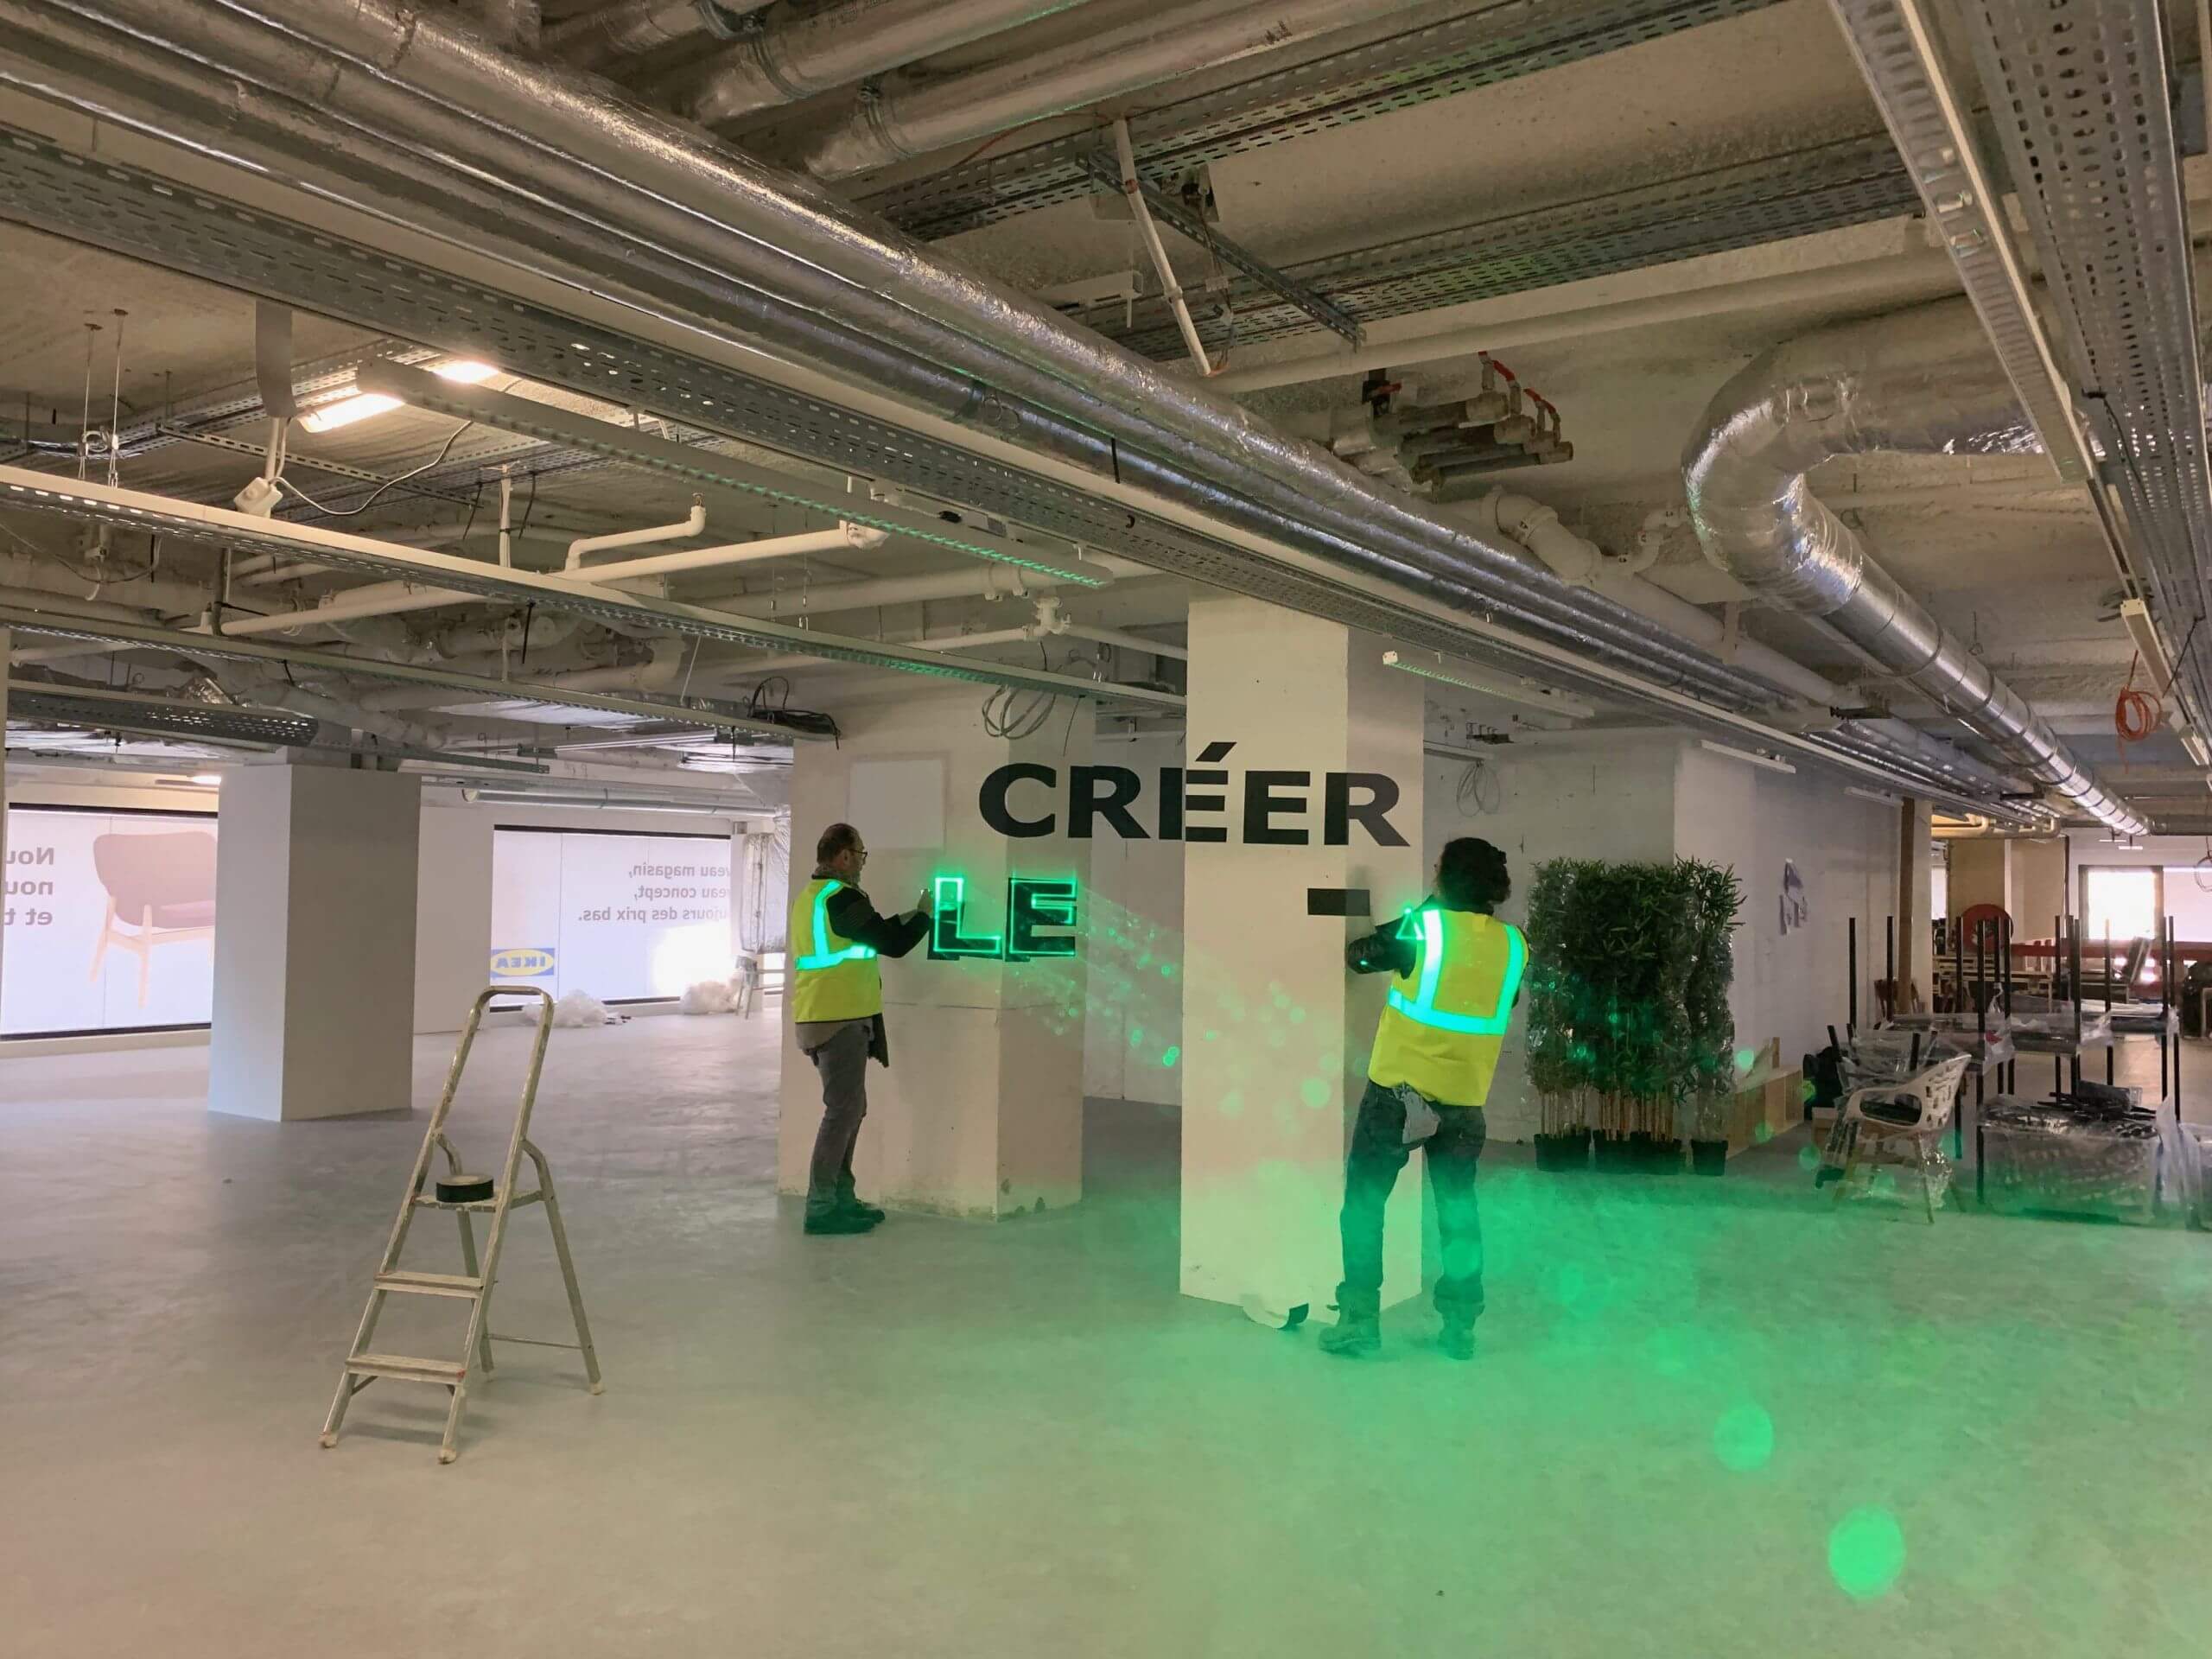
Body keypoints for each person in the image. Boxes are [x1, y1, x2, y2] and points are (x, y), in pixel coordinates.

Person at [1321, 836, 1525, 1361]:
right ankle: (1459, 1326)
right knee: (1458, 1212)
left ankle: (1359, 1320)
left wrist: (1421, 912)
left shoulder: (1425, 931)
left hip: (1398, 1095)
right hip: (1464, 1101)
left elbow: (1359, 958)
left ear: (1443, 878)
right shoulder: (1514, 945)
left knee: (1365, 1205)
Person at [789, 822, 931, 1236]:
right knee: (843, 1111)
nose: (863, 864)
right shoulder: (842, 897)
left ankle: (841, 1199)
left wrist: (905, 918)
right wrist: (924, 917)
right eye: (862, 855)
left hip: (827, 1013)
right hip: (838, 1017)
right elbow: (893, 943)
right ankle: (821, 1206)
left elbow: (871, 934)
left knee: (851, 1109)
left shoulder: (814, 896)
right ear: (845, 856)